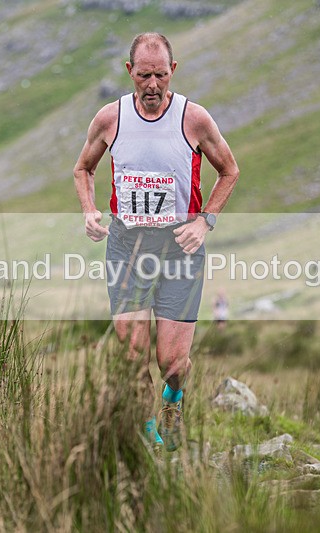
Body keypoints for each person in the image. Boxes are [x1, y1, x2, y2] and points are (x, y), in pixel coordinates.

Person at [73, 32, 239, 451]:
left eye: (160, 75)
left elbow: (230, 170)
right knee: (132, 357)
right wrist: (90, 210)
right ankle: (144, 434)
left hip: (180, 247)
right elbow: (83, 169)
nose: (152, 85)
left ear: (173, 72)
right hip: (127, 246)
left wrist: (205, 222)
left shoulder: (193, 119)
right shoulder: (110, 119)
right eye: (143, 75)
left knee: (172, 362)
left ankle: (173, 400)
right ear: (129, 72)